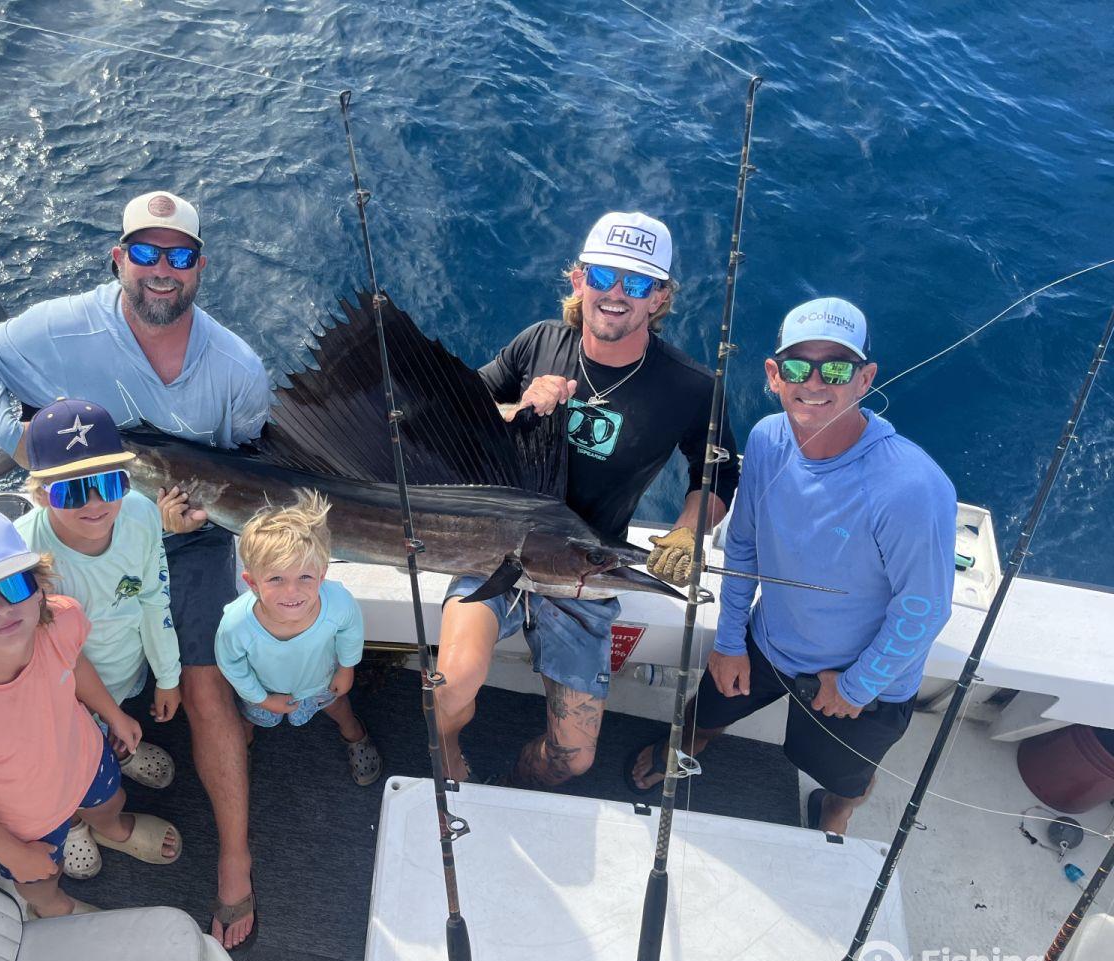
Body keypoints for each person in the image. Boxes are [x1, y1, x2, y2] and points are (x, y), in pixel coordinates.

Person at [0, 190, 268, 947]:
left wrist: (192, 527)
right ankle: (93, 786)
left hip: (184, 538)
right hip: (75, 518)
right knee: (46, 665)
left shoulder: (237, 367)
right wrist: (29, 449)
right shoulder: (65, 324)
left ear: (200, 267)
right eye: (147, 253)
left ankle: (235, 861)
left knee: (200, 684)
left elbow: (250, 466)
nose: (163, 270)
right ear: (119, 258)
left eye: (181, 256)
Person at [630, 297, 956, 835]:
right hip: (769, 641)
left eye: (836, 367)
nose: (815, 382)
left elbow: (923, 610)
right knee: (702, 714)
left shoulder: (912, 487)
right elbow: (744, 545)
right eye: (799, 367)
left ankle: (837, 813)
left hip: (864, 681)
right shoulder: (766, 439)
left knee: (844, 779)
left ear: (865, 378)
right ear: (775, 376)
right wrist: (732, 641)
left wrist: (856, 686)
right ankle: (691, 744)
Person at [436, 211, 739, 787]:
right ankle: (446, 749)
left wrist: (687, 529)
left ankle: (519, 789)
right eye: (603, 275)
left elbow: (718, 474)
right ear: (579, 280)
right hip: (493, 549)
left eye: (639, 283)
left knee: (572, 759)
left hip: (585, 570)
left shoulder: (691, 388)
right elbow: (448, 416)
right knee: (452, 682)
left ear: (661, 298)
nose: (617, 294)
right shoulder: (538, 344)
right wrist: (517, 407)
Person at [0, 507, 181, 918]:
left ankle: (111, 829)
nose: (1, 609)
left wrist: (112, 714)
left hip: (86, 761)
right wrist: (15, 855)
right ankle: (55, 908)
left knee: (111, 801)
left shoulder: (62, 619)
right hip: (23, 824)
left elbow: (75, 665)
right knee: (39, 877)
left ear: (38, 587)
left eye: (15, 585)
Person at [15, 397, 181, 794]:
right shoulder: (22, 552)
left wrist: (168, 676)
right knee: (72, 753)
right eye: (70, 492)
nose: (94, 503)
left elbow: (154, 598)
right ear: (40, 495)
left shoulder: (141, 514)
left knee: (113, 723)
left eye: (109, 483)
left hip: (128, 669)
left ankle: (117, 744)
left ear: (128, 480)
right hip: (62, 692)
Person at [215, 491, 380, 789]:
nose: (292, 592)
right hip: (263, 691)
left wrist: (347, 667)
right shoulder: (235, 624)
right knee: (249, 721)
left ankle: (354, 733)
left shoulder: (339, 602)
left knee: (339, 707)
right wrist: (262, 698)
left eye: (305, 577)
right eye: (276, 579)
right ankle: (241, 751)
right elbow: (231, 665)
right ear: (251, 582)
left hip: (323, 683)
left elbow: (351, 630)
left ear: (322, 573)